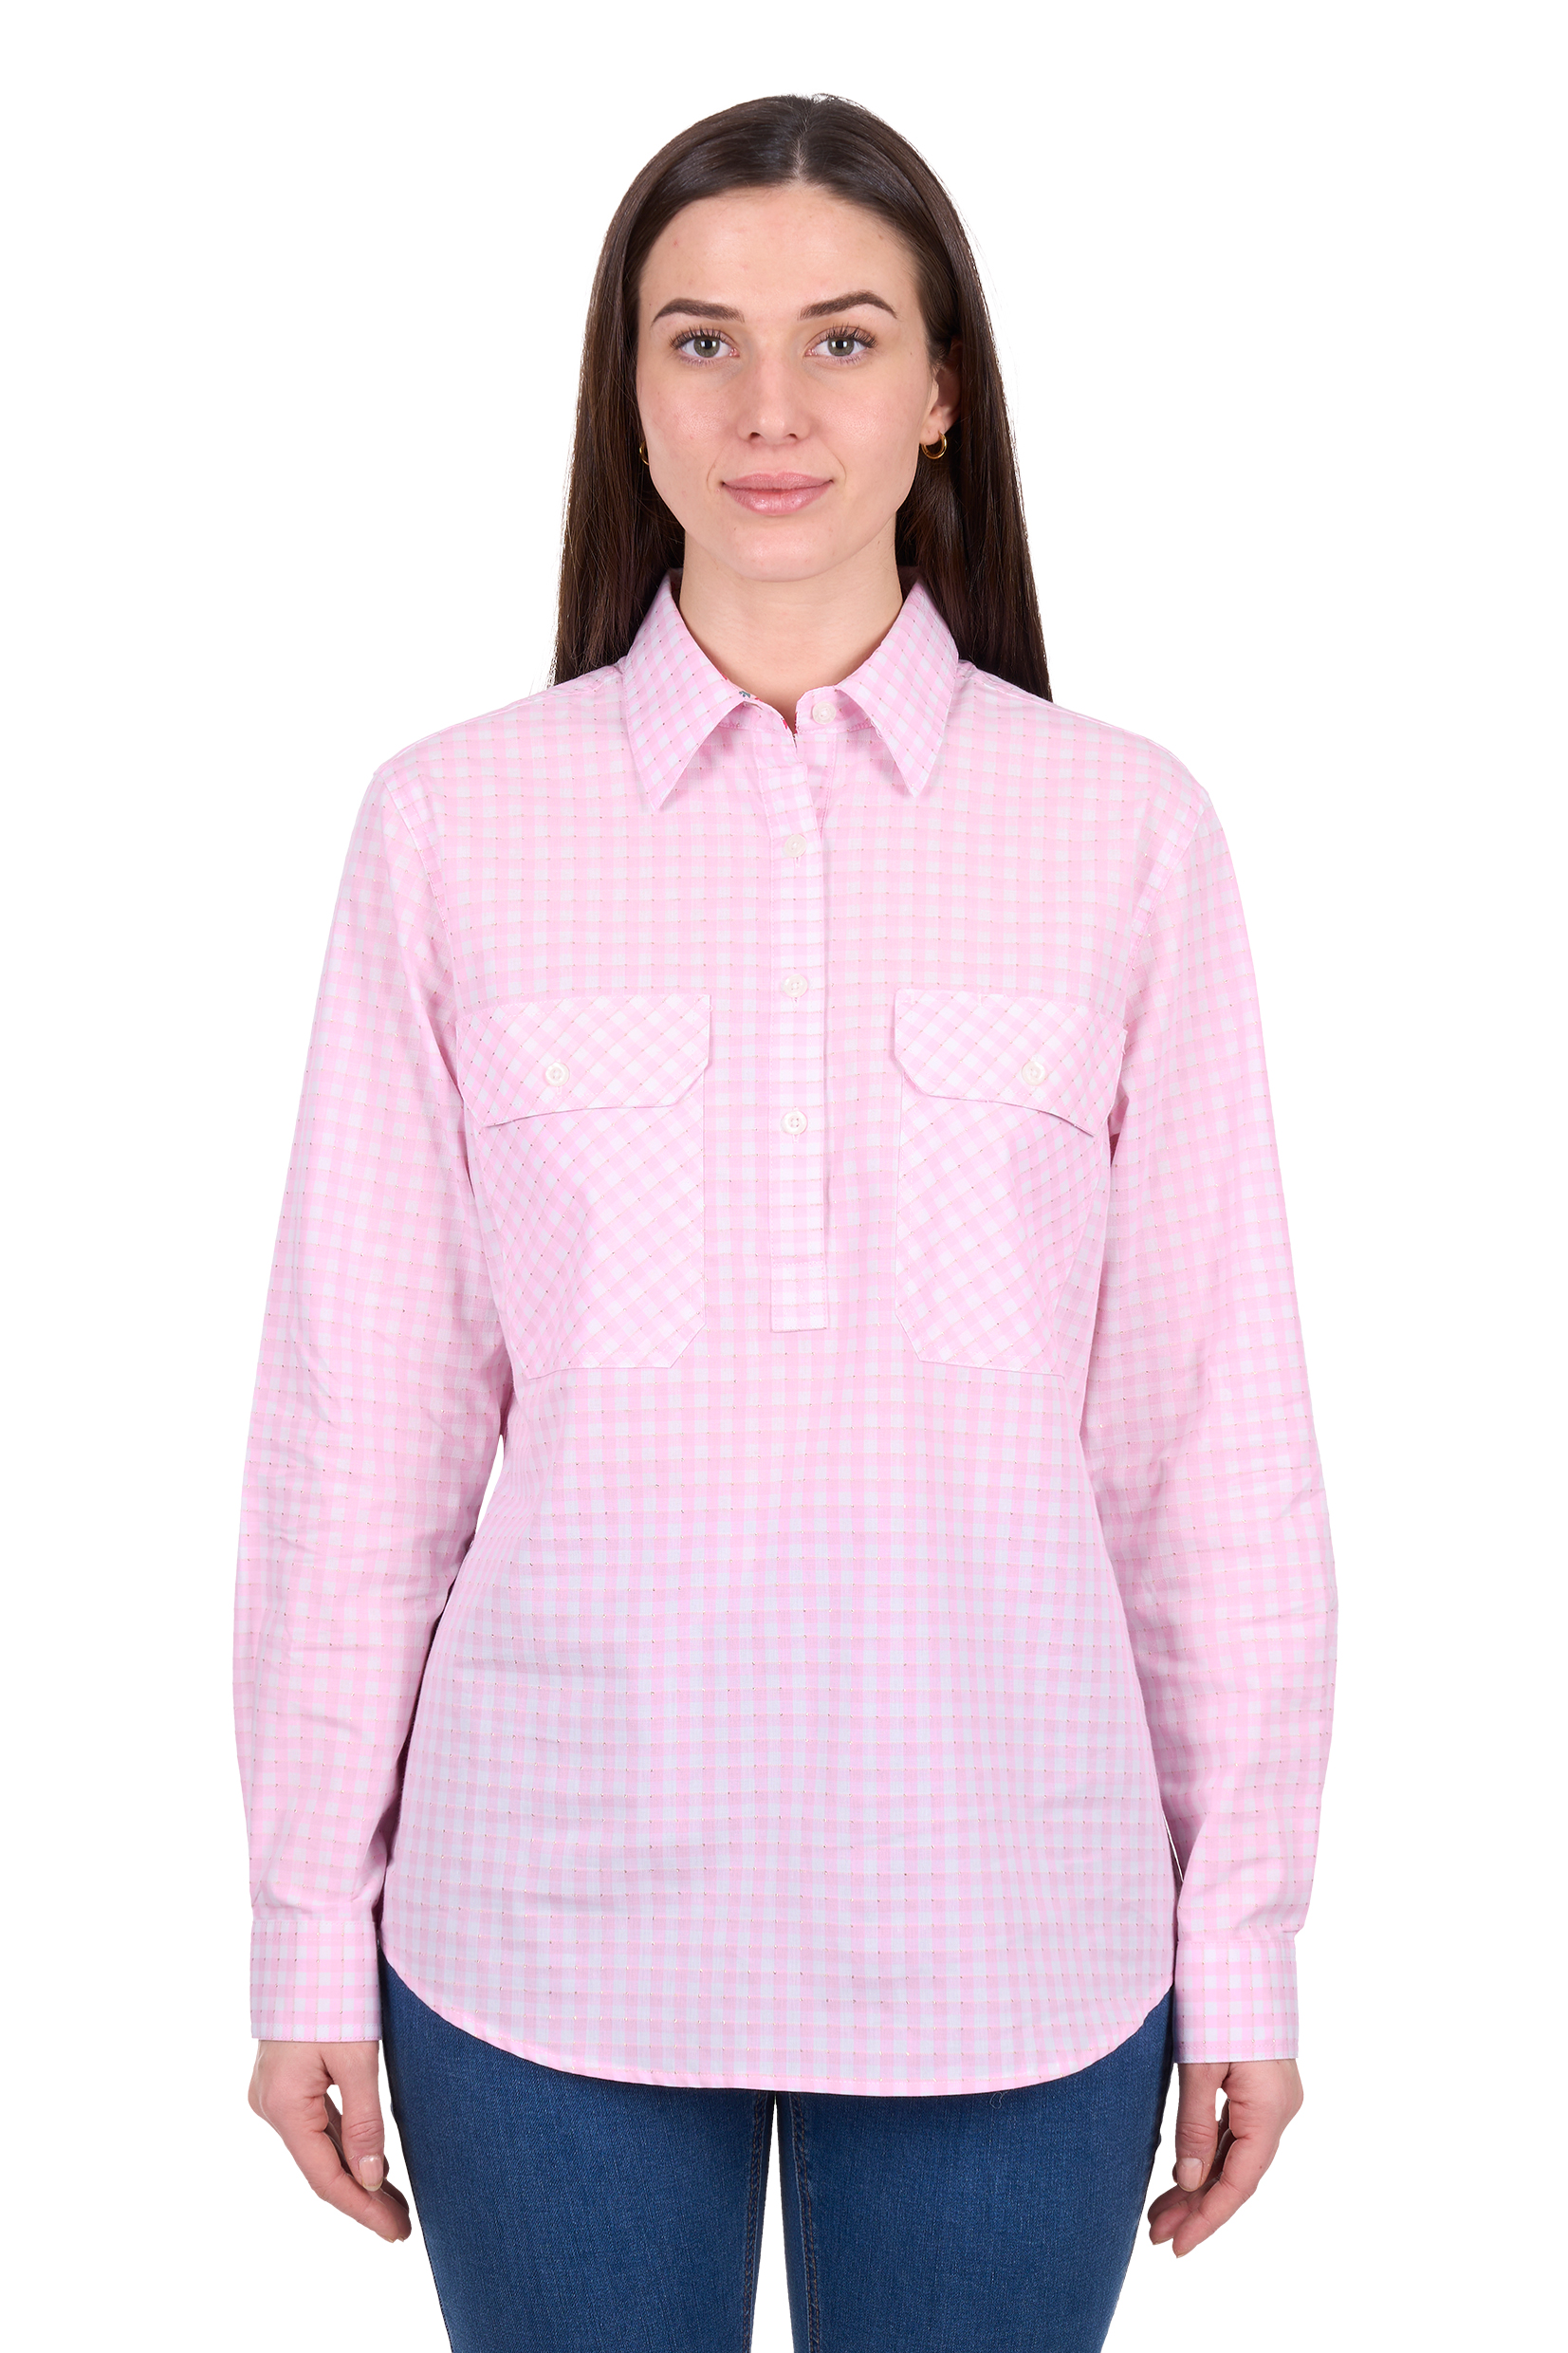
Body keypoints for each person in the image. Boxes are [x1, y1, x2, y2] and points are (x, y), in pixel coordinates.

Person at [236, 90, 1337, 2352]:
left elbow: (1204, 1441)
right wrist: (299, 1928)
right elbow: (364, 1434)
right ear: (625, 388)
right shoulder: (451, 829)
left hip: (1013, 1927)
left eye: (840, 340)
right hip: (540, 1930)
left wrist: (1238, 1940)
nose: (767, 409)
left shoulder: (1121, 834)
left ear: (939, 394)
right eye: (699, 342)